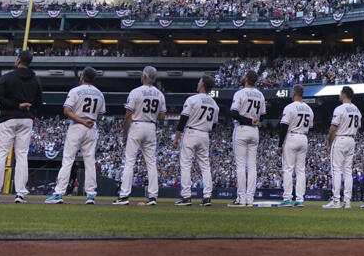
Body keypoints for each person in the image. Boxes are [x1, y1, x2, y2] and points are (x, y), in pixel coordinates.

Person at [0, 49, 41, 203]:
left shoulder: (8, 77)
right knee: (22, 155)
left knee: (1, 154)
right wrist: (28, 106)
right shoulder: (36, 80)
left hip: (8, 118)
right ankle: (20, 194)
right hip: (26, 119)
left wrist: (17, 105)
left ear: (19, 60)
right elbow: (39, 102)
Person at [46, 67, 105, 205]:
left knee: (68, 160)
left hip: (77, 126)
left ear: (83, 76)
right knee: (90, 162)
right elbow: (101, 116)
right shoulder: (100, 94)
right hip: (92, 127)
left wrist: (82, 120)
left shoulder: (75, 91)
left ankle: (59, 193)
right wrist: (89, 119)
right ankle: (91, 195)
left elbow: (67, 111)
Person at [113, 65, 165, 206]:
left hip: (137, 124)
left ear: (145, 77)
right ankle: (153, 197)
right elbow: (162, 117)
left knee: (130, 161)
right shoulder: (160, 94)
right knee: (151, 162)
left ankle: (124, 196)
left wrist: (124, 133)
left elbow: (128, 115)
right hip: (151, 126)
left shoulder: (136, 92)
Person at [174, 75, 218, 207]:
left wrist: (176, 138)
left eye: (199, 81)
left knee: (186, 164)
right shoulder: (214, 104)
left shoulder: (192, 99)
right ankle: (207, 197)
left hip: (192, 132)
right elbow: (214, 125)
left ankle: (186, 197)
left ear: (203, 84)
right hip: (205, 134)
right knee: (205, 166)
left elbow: (182, 120)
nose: (198, 83)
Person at [228, 70, 265, 207]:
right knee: (252, 165)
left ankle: (241, 199)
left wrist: (248, 121)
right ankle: (250, 199)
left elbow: (233, 113)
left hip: (242, 129)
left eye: (244, 75)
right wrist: (254, 121)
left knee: (241, 165)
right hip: (254, 131)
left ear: (247, 78)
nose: (242, 77)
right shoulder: (260, 94)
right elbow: (263, 115)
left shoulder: (240, 93)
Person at [278, 84, 313, 208]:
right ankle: (300, 199)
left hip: (292, 136)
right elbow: (311, 126)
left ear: (294, 93)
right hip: (303, 137)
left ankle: (287, 199)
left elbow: (284, 126)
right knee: (300, 170)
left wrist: (279, 144)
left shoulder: (289, 107)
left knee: (288, 169)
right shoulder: (309, 108)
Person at [324, 86, 359, 209]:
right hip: (351, 139)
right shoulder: (356, 109)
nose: (339, 95)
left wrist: (329, 144)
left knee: (336, 170)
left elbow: (333, 129)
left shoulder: (339, 109)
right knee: (348, 171)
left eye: (340, 93)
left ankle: (336, 200)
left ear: (344, 94)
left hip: (340, 139)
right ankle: (347, 201)